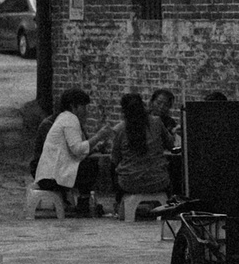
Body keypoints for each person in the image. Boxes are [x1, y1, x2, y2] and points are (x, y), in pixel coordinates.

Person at [33, 88, 104, 218]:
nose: (86, 111)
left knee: (88, 163)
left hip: (48, 174)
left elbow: (75, 152)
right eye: (83, 107)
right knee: (90, 167)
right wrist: (98, 137)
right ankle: (83, 204)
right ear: (73, 106)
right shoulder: (70, 119)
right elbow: (77, 149)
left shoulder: (63, 118)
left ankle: (83, 203)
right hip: (52, 177)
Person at [112, 89, 177, 204]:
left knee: (114, 170)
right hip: (159, 181)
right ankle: (169, 202)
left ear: (123, 111)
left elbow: (115, 159)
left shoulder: (119, 129)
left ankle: (118, 204)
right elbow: (171, 144)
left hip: (129, 183)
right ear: (144, 105)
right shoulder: (157, 122)